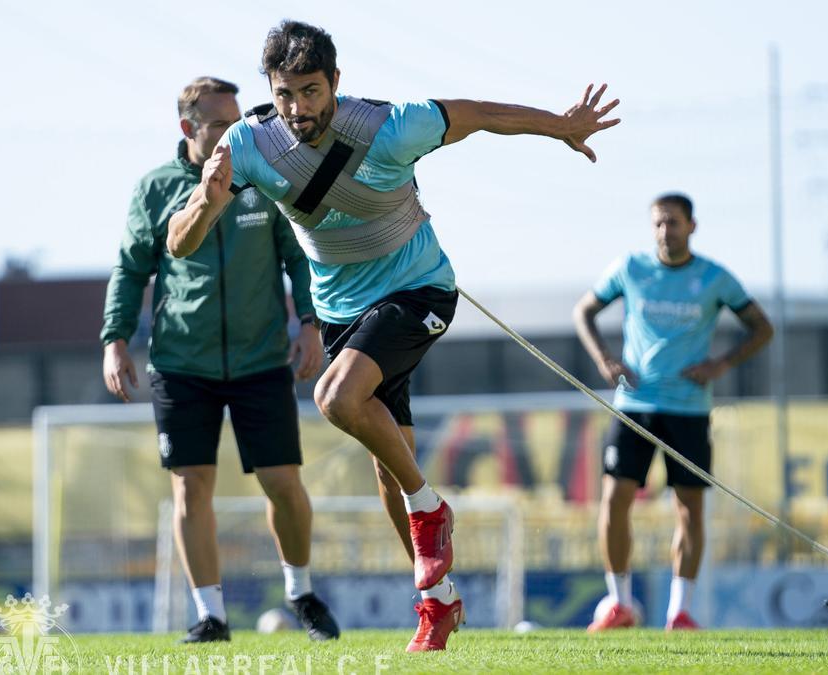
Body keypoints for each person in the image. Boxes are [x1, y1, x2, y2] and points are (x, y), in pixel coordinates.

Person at [165, 20, 620, 652]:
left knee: (336, 398)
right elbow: (179, 244)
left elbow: (480, 113)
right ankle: (439, 602)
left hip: (419, 293)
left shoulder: (388, 126)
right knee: (387, 467)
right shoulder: (247, 145)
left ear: (336, 84)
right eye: (286, 93)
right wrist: (205, 201)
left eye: (312, 91)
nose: (299, 108)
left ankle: (431, 508)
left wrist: (562, 125)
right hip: (344, 317)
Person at [101, 76, 339, 643]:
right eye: (218, 124)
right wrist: (114, 337)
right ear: (188, 129)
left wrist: (308, 323)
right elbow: (132, 268)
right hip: (182, 363)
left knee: (283, 482)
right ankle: (212, 615)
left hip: (261, 359)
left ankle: (301, 593)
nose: (233, 133)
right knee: (191, 486)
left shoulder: (260, 174)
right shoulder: (156, 188)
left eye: (237, 121)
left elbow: (298, 259)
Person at [574, 193, 774, 631]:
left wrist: (721, 364)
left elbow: (762, 328)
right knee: (614, 501)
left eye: (674, 223)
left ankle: (679, 611)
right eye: (659, 223)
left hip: (688, 409)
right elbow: (583, 311)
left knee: (689, 509)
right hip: (634, 406)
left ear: (692, 226)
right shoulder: (631, 268)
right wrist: (605, 360)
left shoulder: (714, 277)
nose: (666, 231)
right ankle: (619, 603)